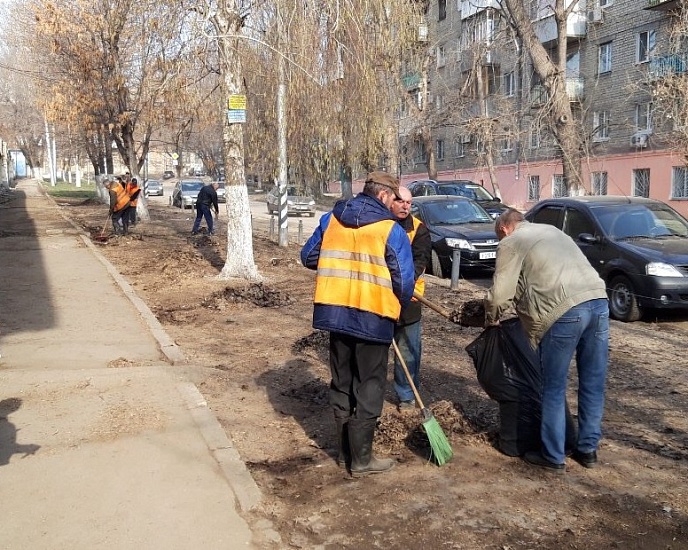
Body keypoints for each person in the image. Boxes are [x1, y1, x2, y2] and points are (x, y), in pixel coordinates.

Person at [300, 171, 415, 477]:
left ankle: (343, 454)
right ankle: (362, 460)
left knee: (342, 381)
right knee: (370, 384)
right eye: (394, 198)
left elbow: (309, 256)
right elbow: (404, 283)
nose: (396, 204)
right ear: (382, 196)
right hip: (373, 318)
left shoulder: (331, 219)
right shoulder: (391, 230)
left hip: (336, 315)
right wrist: (396, 307)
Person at [484, 208, 610, 473]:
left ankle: (553, 455)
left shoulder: (511, 241)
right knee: (593, 382)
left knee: (552, 387)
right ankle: (587, 450)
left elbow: (499, 295)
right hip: (598, 302)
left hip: (564, 313)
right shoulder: (551, 231)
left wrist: (490, 317)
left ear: (504, 228)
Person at [390, 187, 432, 411]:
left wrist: (400, 286)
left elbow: (419, 263)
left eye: (409, 202)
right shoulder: (379, 226)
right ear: (389, 200)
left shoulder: (419, 230)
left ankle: (406, 395)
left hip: (409, 299)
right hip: (379, 297)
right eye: (400, 201)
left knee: (407, 349)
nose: (405, 206)